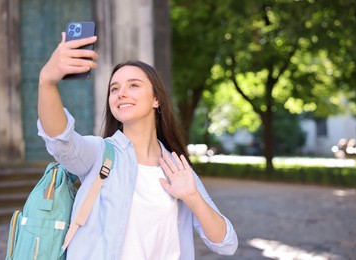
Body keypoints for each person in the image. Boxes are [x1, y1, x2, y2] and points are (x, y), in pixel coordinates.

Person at [37, 32, 238, 259]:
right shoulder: (99, 154)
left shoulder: (176, 168)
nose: (121, 93)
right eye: (114, 89)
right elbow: (61, 141)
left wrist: (192, 196)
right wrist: (47, 82)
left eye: (133, 85)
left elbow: (226, 244)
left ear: (156, 99)